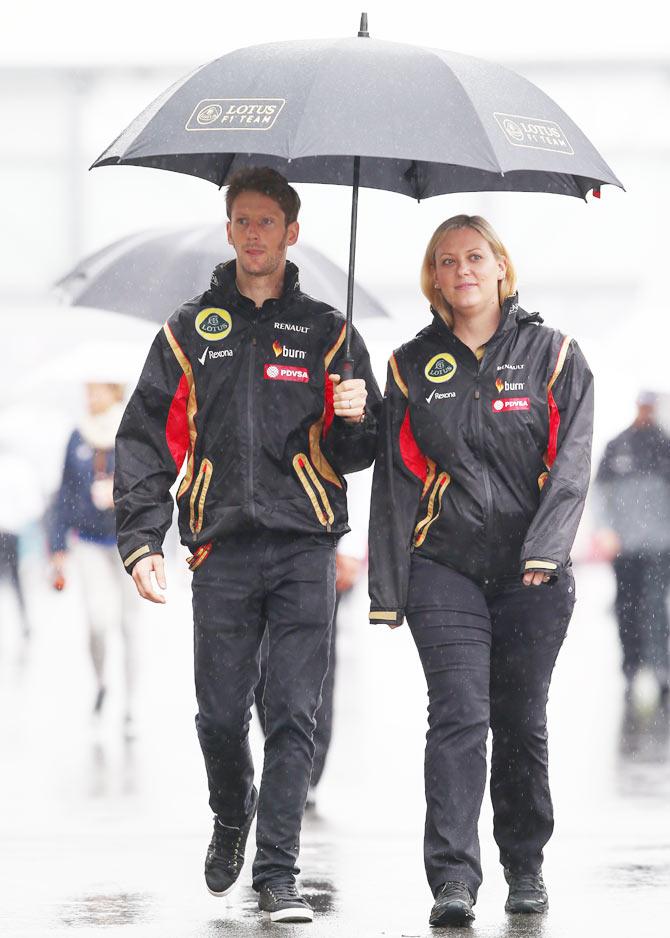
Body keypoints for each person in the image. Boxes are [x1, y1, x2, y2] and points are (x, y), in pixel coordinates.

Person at [114, 167, 381, 923]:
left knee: (294, 715)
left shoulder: (330, 330)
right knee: (222, 717)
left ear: (292, 232)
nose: (255, 233)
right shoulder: (190, 329)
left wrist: (359, 413)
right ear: (228, 229)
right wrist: (142, 539)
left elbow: (360, 450)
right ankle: (232, 810)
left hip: (305, 546)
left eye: (268, 221)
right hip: (220, 548)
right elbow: (145, 440)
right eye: (242, 220)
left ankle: (278, 874)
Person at [368, 215, 594, 926]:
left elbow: (572, 463)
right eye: (446, 260)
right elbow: (396, 479)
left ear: (501, 266)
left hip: (533, 572)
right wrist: (387, 587)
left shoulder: (554, 354)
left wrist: (545, 549)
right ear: (432, 276)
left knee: (520, 719)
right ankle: (453, 880)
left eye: (474, 256)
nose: (461, 269)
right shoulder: (409, 364)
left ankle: (524, 864)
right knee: (459, 714)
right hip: (445, 565)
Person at [254, 466, 371, 810]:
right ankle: (285, 758)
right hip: (251, 542)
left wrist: (350, 546)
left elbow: (359, 468)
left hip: (317, 539)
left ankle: (306, 770)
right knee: (259, 666)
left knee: (313, 665)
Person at [48, 382, 139, 733]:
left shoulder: (132, 429)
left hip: (128, 538)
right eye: (86, 390)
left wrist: (120, 495)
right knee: (98, 621)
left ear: (115, 391)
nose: (89, 397)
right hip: (87, 540)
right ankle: (102, 683)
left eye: (96, 390)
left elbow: (148, 484)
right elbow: (63, 493)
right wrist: (57, 548)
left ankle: (132, 704)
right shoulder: (77, 437)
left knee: (131, 624)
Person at [593, 391, 670, 704]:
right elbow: (601, 495)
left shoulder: (665, 446)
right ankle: (631, 669)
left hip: (660, 547)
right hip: (625, 548)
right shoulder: (617, 446)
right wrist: (605, 531)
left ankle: (660, 669)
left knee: (655, 607)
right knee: (627, 608)